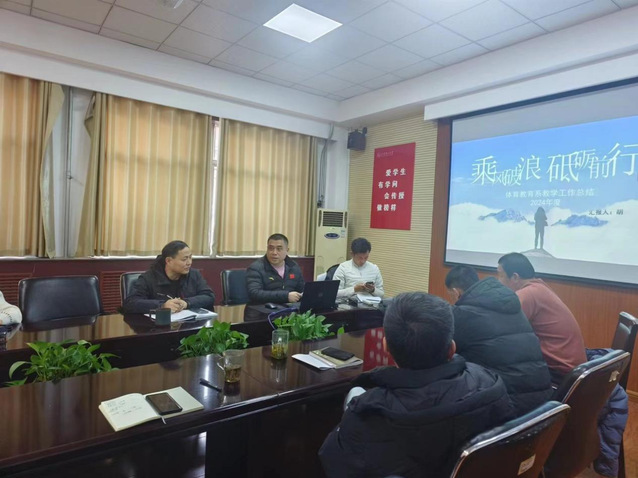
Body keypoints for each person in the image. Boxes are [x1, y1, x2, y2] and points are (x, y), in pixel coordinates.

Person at [319, 292, 514, 478]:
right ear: (452, 349)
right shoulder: (490, 384)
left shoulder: (367, 414)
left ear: (386, 347)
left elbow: (333, 461)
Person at [445, 265, 552, 416]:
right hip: (543, 404)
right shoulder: (512, 306)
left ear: (456, 292)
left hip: (508, 407)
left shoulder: (462, 314)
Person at [497, 252, 586, 383]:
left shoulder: (527, 294)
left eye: (500, 275)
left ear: (515, 277)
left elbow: (502, 330)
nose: (498, 281)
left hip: (560, 373)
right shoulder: (539, 287)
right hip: (574, 368)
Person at [123, 240, 215, 314]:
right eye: (184, 259)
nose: (189, 263)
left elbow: (209, 296)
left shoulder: (194, 274)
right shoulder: (149, 278)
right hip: (156, 327)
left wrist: (186, 303)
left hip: (188, 325)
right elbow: (130, 303)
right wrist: (162, 305)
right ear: (169, 261)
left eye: (190, 257)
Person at [246, 233, 305, 304]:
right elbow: (254, 294)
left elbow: (302, 290)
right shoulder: (256, 268)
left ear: (287, 250)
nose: (274, 253)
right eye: (271, 248)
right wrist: (285, 296)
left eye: (279, 249)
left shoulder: (293, 266)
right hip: (263, 308)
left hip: (289, 308)